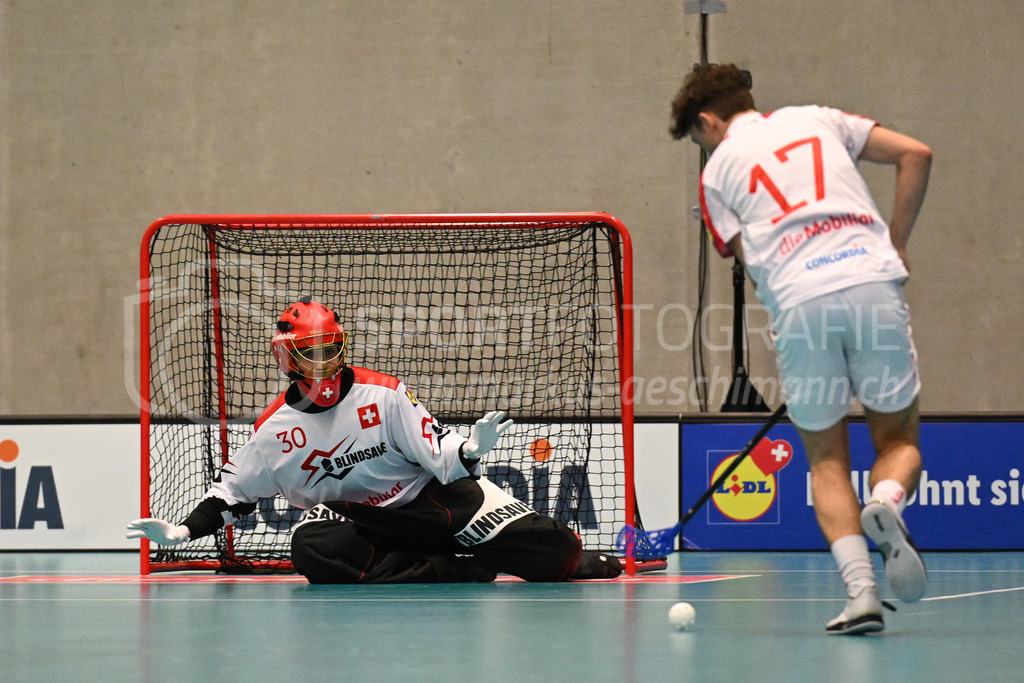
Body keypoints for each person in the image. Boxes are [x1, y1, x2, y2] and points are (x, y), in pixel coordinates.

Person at [670, 64, 932, 634]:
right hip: (871, 282)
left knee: (827, 461)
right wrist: (897, 242)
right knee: (897, 442)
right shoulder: (818, 119)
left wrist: (790, 317)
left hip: (800, 304)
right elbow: (916, 154)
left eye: (698, 139)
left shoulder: (716, 175)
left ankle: (862, 594)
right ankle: (887, 501)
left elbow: (751, 263)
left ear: (708, 121)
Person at [127, 296, 622, 583]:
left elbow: (439, 453)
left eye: (330, 349)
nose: (322, 363)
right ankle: (458, 570)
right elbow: (232, 495)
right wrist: (182, 532)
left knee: (556, 550)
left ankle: (458, 561)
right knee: (311, 549)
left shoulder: (385, 394)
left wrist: (471, 449)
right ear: (286, 358)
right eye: (309, 352)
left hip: (431, 502)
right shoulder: (271, 431)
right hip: (358, 522)